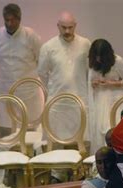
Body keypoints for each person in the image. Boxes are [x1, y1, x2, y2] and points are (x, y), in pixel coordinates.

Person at [38, 11, 91, 141]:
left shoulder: (85, 44)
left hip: (80, 99)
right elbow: (42, 73)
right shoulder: (48, 47)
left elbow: (89, 70)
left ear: (75, 26)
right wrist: (52, 88)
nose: (67, 31)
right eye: (64, 27)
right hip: (57, 101)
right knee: (54, 141)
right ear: (58, 26)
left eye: (70, 27)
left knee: (82, 141)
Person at [0, 3, 42, 135]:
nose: (9, 23)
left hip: (28, 91)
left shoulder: (30, 36)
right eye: (7, 20)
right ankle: (7, 153)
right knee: (6, 128)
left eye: (13, 20)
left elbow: (40, 58)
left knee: (29, 130)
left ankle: (29, 154)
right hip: (5, 88)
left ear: (19, 19)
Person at [88, 39, 123, 154]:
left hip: (115, 98)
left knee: (113, 126)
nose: (98, 59)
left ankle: (117, 155)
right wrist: (94, 83)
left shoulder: (118, 61)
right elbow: (90, 81)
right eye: (96, 56)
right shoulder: (93, 62)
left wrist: (113, 83)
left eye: (100, 56)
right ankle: (101, 156)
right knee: (100, 129)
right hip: (100, 98)